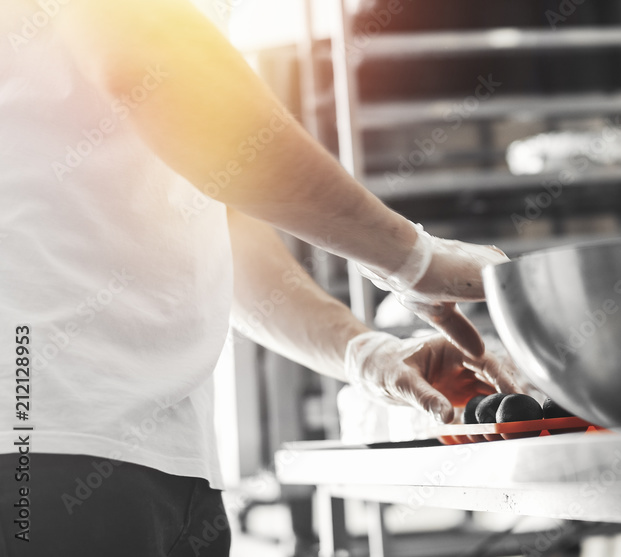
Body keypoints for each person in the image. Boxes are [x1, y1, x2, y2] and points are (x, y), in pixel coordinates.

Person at [0, 0, 520, 555]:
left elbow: (215, 223)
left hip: (170, 463)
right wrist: (412, 258)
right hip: (44, 431)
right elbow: (151, 56)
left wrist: (362, 353)